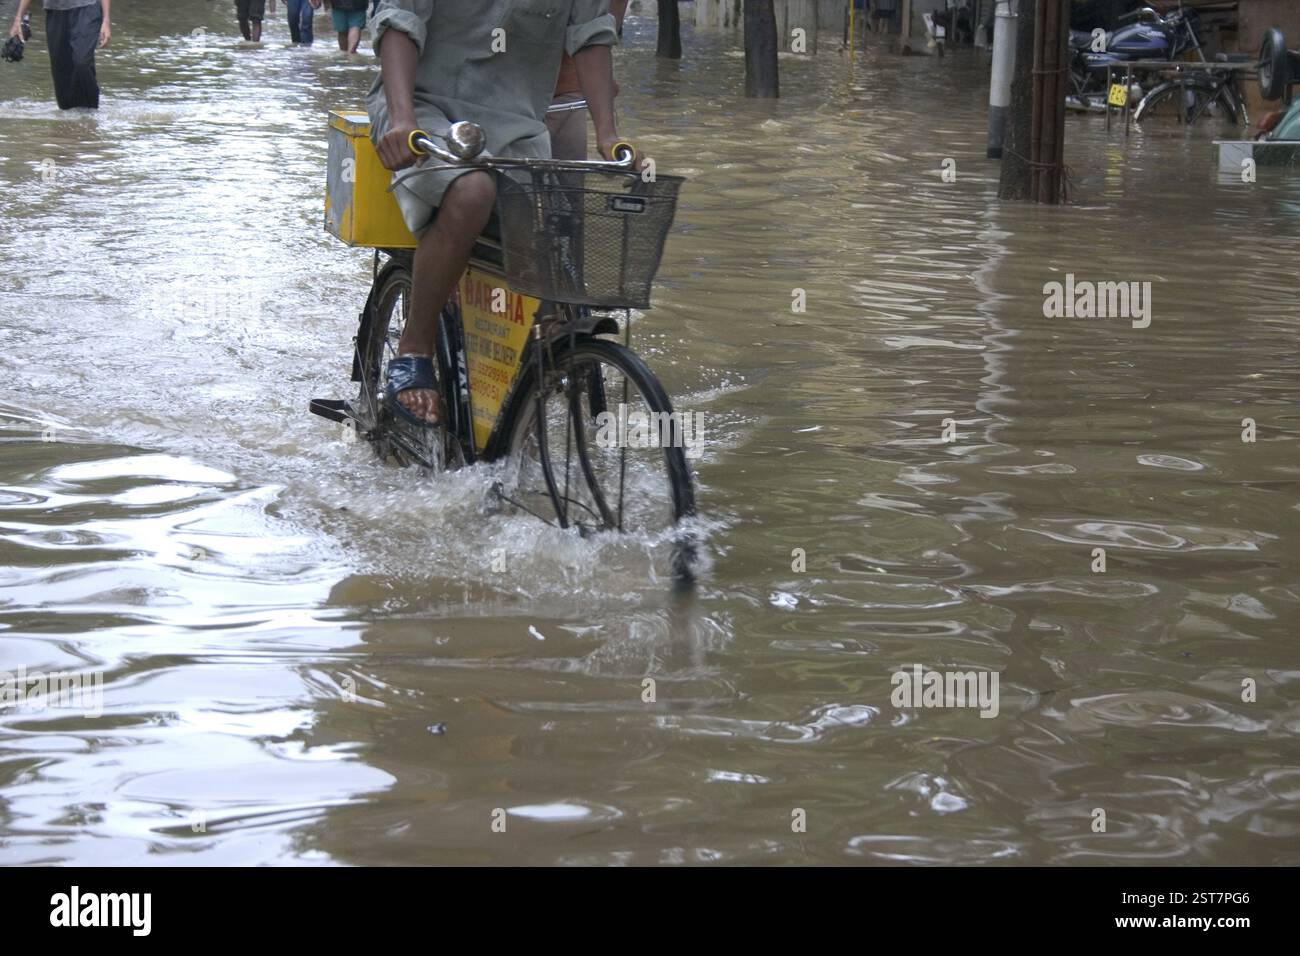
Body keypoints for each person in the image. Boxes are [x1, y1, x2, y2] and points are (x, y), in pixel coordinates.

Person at [368, 0, 632, 428]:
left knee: (546, 239)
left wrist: (610, 135)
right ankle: (415, 349)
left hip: (518, 128)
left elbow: (592, 36)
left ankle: (515, 413)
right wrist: (401, 117)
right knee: (472, 190)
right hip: (424, 110)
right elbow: (400, 20)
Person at [548, 0, 627, 160]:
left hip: (565, 94)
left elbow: (595, 32)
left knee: (567, 179)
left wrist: (607, 135)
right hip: (494, 103)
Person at [8, 0, 110, 110]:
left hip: (87, 8)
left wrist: (106, 20)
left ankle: (91, 114)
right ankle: (67, 121)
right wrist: (18, 18)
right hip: (55, 12)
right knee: (61, 71)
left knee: (82, 62)